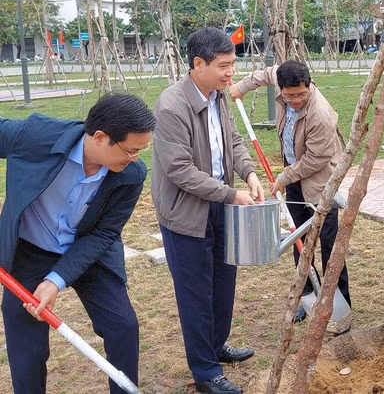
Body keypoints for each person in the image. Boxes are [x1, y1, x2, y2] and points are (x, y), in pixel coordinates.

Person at [0, 93, 155, 394]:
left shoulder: (131, 175)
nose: (135, 159)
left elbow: (103, 235)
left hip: (88, 249)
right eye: (131, 150)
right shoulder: (36, 136)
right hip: (30, 248)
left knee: (123, 327)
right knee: (27, 347)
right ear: (100, 137)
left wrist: (55, 281)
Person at [152, 27, 264, 394]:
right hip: (187, 214)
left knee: (223, 284)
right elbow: (179, 170)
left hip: (220, 203)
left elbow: (231, 139)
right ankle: (205, 373)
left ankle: (215, 347)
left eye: (233, 64)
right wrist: (230, 194)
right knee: (196, 293)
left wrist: (247, 172)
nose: (231, 73)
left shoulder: (218, 96)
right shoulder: (172, 106)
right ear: (198, 64)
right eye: (224, 66)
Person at [230, 60, 351, 331]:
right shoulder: (280, 78)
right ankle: (307, 297)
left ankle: (337, 301)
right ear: (281, 90)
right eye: (289, 95)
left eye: (301, 94)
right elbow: (265, 73)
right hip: (294, 177)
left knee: (330, 246)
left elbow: (316, 158)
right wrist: (241, 87)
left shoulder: (321, 114)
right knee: (299, 240)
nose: (295, 100)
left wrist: (283, 177)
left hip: (321, 185)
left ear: (309, 85)